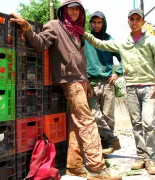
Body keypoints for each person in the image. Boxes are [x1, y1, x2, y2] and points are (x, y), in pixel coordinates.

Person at [10, 1, 122, 179]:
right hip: (70, 82)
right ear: (63, 10)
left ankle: (74, 165)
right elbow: (40, 44)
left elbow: (81, 60)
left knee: (77, 125)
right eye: (71, 8)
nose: (75, 11)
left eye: (78, 8)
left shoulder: (77, 31)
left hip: (81, 81)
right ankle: (97, 169)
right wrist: (27, 27)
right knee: (88, 122)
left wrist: (86, 82)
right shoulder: (55, 26)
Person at [84, 8, 155, 175]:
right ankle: (140, 157)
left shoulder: (151, 40)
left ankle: (150, 159)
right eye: (132, 19)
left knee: (148, 123)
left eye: (138, 19)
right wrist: (83, 33)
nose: (135, 22)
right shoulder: (123, 42)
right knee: (136, 124)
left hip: (149, 87)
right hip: (130, 88)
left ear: (143, 22)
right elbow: (100, 44)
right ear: (128, 21)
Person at [85, 11, 122, 155]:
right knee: (94, 115)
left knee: (108, 117)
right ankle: (113, 140)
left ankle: (105, 151)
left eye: (99, 22)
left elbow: (123, 58)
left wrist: (117, 73)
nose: (97, 25)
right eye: (94, 22)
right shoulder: (86, 39)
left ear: (104, 23)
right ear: (90, 23)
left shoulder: (109, 40)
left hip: (108, 84)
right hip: (90, 83)